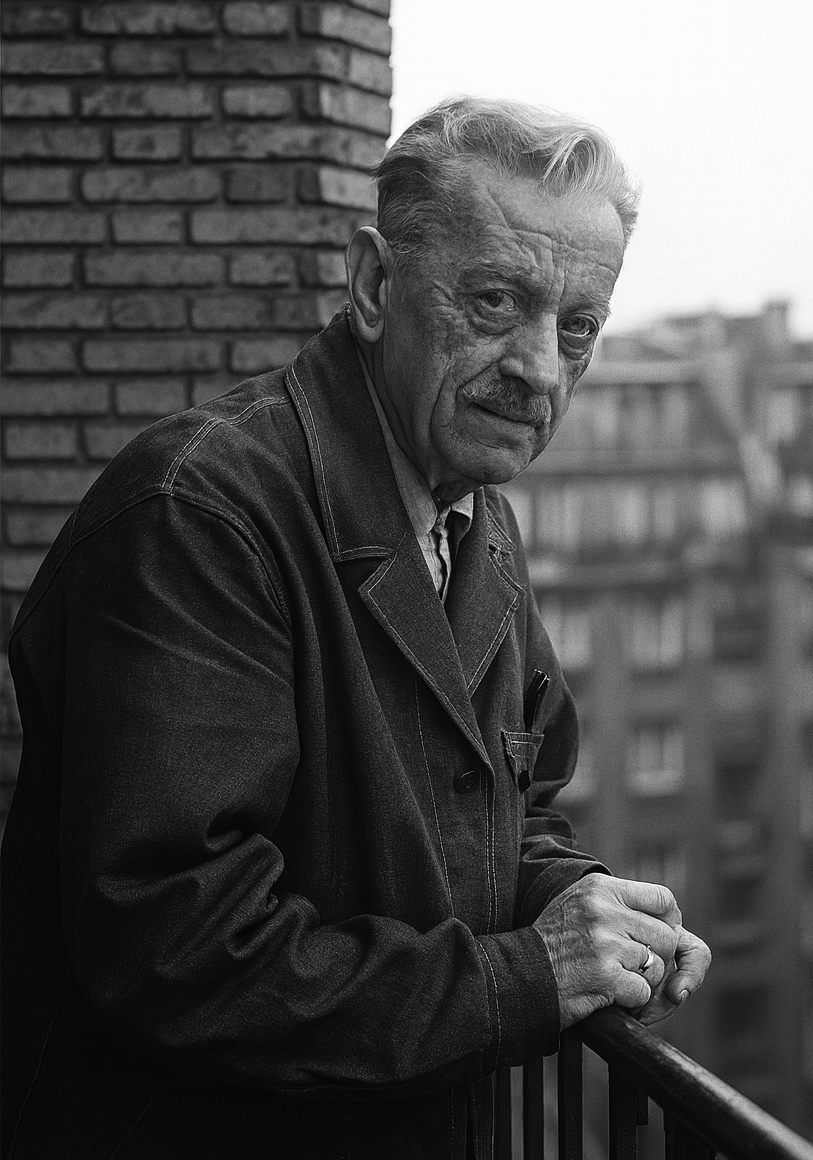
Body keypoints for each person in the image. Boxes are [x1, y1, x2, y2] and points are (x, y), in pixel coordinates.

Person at [1, 97, 710, 1159]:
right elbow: (177, 945)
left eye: (577, 327)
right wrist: (531, 975)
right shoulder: (199, 516)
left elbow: (502, 811)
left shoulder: (473, 514)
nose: (539, 368)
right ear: (375, 285)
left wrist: (583, 903)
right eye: (495, 300)